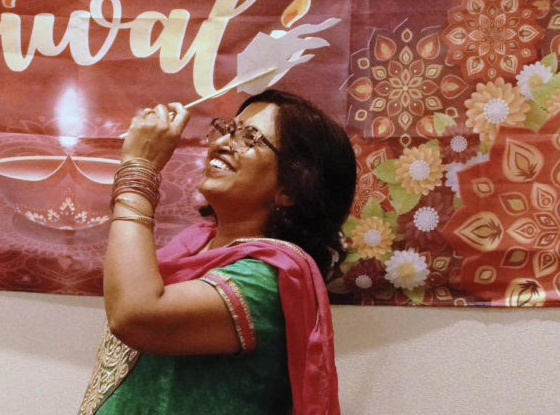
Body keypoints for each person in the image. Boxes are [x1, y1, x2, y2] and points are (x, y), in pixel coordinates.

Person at [78, 89, 357, 415]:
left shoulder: (266, 281)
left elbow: (134, 316)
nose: (223, 143)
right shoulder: (190, 246)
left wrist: (138, 171)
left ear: (292, 188)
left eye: (250, 137)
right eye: (227, 129)